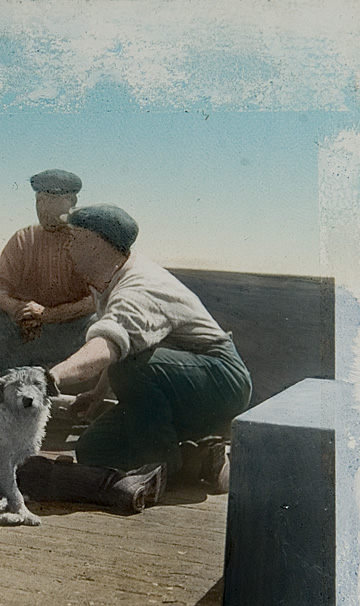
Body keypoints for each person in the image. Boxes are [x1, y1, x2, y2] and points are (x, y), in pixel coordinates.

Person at [41, 203, 253, 493]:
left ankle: (160, 468)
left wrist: (48, 378)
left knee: (132, 368)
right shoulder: (105, 279)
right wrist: (98, 393)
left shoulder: (139, 288)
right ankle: (201, 459)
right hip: (180, 385)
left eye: (73, 239)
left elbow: (108, 346)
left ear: (96, 245)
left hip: (220, 382)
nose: (66, 247)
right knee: (94, 450)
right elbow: (127, 342)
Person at [0, 169, 97, 384]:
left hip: (68, 332)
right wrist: (19, 310)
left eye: (51, 200)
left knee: (96, 325)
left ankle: (79, 400)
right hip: (25, 333)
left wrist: (49, 315)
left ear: (72, 201)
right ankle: (2, 391)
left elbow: (96, 299)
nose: (43, 208)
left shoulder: (86, 240)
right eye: (39, 200)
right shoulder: (24, 238)